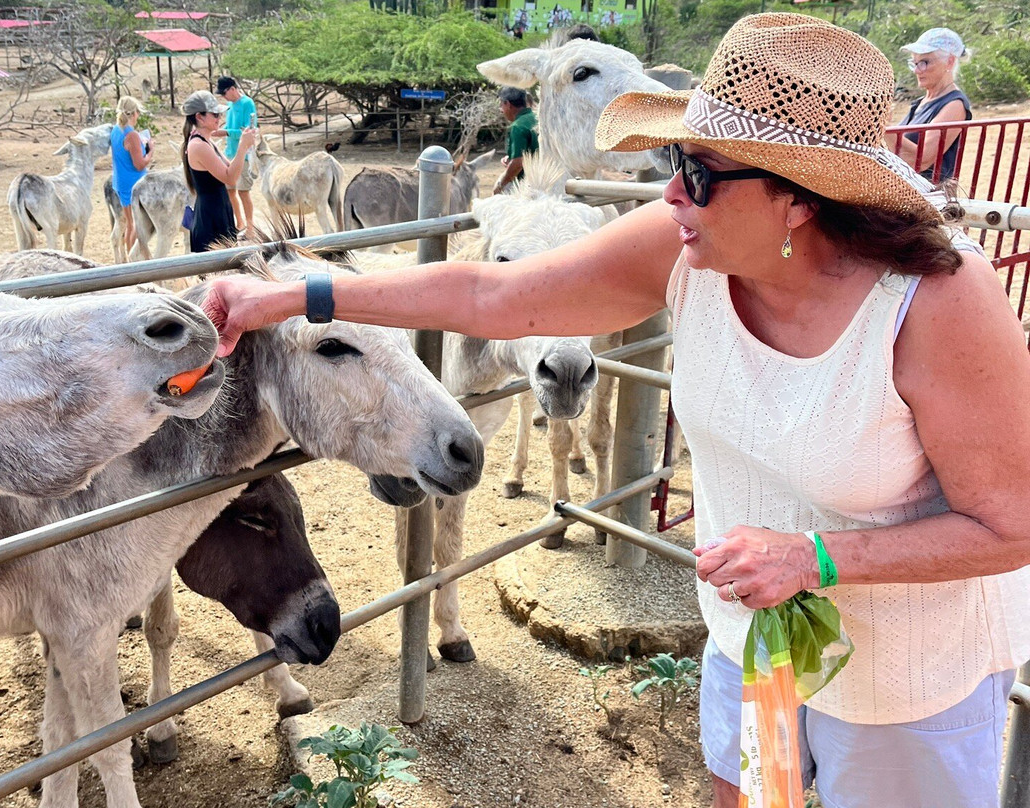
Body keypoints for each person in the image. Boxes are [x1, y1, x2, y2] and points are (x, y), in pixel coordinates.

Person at [203, 14, 1030, 808]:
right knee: (752, 799)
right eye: (677, 157)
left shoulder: (937, 307)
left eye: (699, 174)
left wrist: (818, 559)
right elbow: (490, 293)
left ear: (799, 199)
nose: (671, 190)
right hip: (756, 649)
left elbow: (1013, 524)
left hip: (902, 684)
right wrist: (295, 297)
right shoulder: (688, 250)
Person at [885, 27, 972, 181]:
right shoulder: (920, 103)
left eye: (924, 62)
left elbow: (922, 160)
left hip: (929, 196)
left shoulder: (954, 104)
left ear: (950, 62)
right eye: (915, 63)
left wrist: (882, 126)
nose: (917, 70)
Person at [180, 89, 257, 253]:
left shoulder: (206, 140)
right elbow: (230, 178)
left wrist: (244, 144)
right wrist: (243, 146)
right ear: (199, 117)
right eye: (215, 115)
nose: (219, 118)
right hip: (210, 217)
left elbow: (230, 168)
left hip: (218, 210)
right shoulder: (199, 145)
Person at [213, 76, 259, 237]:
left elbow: (249, 130)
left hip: (244, 154)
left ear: (232, 89)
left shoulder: (247, 104)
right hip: (230, 152)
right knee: (230, 190)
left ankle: (251, 227)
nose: (224, 97)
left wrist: (225, 132)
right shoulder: (230, 105)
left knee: (243, 191)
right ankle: (239, 222)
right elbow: (231, 126)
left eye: (224, 93)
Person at [110, 96, 153, 256]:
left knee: (130, 224)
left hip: (121, 181)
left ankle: (130, 258)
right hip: (135, 183)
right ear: (134, 113)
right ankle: (134, 257)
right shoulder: (132, 135)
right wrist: (150, 150)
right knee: (136, 224)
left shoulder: (115, 130)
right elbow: (140, 164)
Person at [493, 86, 538, 195]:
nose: (501, 110)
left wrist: (501, 185)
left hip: (528, 185)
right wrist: (511, 157)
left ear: (507, 104)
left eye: (501, 105)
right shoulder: (537, 117)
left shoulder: (517, 126)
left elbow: (518, 162)